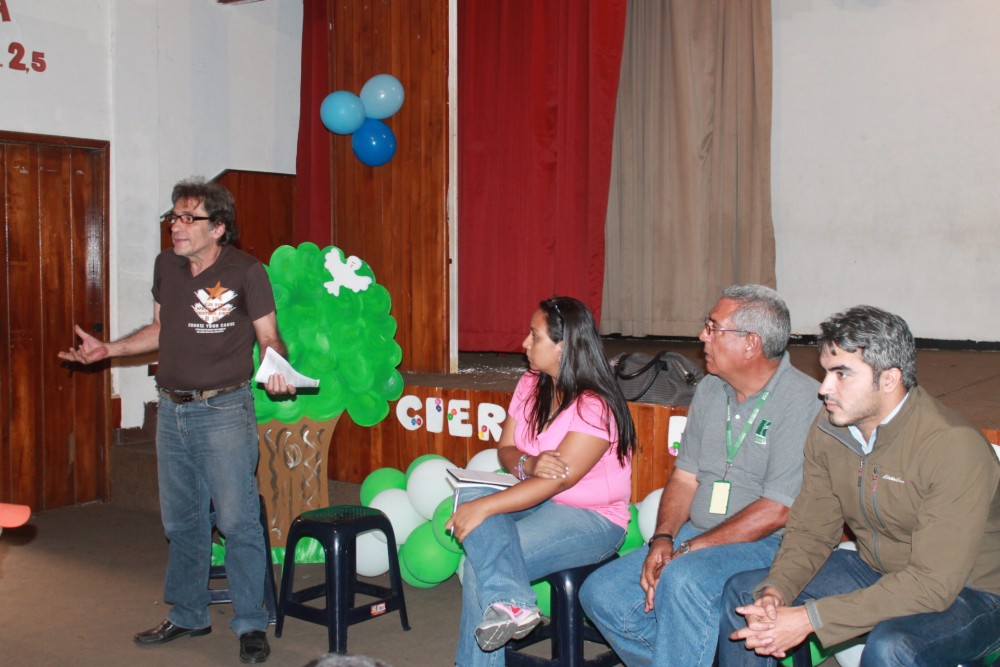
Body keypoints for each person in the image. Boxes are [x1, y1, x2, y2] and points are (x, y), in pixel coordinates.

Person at [57, 177, 294, 665]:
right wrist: (109, 350)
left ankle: (250, 621)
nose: (177, 227)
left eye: (189, 218)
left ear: (219, 228)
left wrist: (277, 368)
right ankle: (189, 613)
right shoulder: (167, 266)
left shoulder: (247, 271)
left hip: (224, 410)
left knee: (236, 520)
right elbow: (162, 329)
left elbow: (269, 337)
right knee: (182, 521)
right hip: (172, 410)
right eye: (174, 217)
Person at [720, 305, 1000, 666]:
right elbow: (811, 530)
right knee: (747, 596)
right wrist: (777, 591)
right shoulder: (829, 429)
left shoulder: (951, 446)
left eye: (842, 374)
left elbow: (933, 585)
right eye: (825, 372)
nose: (824, 388)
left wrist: (810, 618)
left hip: (974, 591)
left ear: (888, 380)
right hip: (881, 570)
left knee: (892, 645)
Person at [579, 284, 820, 667]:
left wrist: (691, 549)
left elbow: (778, 510)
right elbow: (685, 476)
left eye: (713, 326)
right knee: (602, 593)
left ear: (750, 343)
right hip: (700, 536)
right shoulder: (710, 389)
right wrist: (663, 538)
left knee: (683, 579)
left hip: (770, 544)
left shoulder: (804, 400)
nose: (701, 336)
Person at [446, 296, 637, 667]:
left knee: (478, 565)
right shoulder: (531, 383)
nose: (524, 343)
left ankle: (504, 607)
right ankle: (511, 600)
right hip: (537, 497)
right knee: (473, 490)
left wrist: (483, 507)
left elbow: (557, 484)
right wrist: (528, 463)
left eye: (534, 336)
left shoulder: (595, 406)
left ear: (563, 347)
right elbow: (504, 449)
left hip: (592, 518)